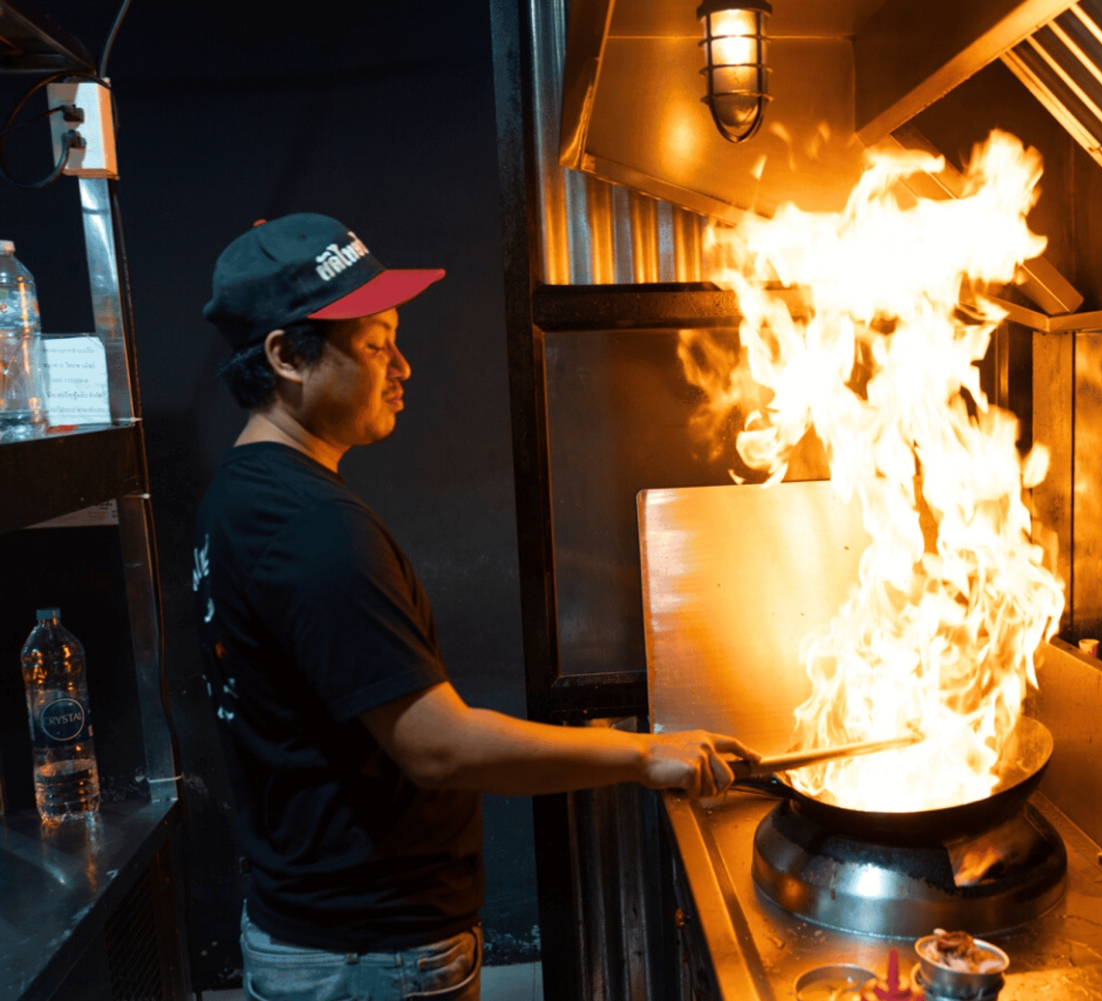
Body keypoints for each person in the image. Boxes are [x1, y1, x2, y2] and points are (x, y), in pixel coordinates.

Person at [194, 213, 755, 1001]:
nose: (405, 367)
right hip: (369, 954)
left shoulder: (237, 496)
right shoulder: (315, 530)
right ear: (288, 357)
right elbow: (439, 747)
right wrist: (641, 755)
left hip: (315, 932)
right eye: (377, 342)